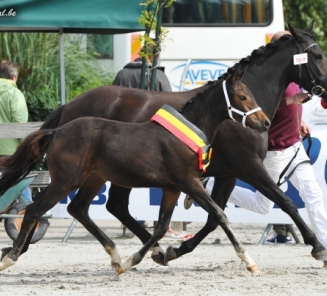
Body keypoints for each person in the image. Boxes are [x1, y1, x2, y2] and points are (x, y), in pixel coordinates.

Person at [224, 30, 327, 246]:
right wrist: (291, 101)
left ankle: (325, 244)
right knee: (263, 207)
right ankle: (209, 187)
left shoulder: (292, 73)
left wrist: (299, 121)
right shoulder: (268, 77)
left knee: (313, 195)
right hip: (275, 151)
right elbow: (259, 109)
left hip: (294, 147)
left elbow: (292, 104)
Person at [0, 60, 32, 203]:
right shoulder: (14, 94)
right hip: (10, 151)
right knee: (20, 181)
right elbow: (20, 126)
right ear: (14, 77)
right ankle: (27, 217)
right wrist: (27, 148)